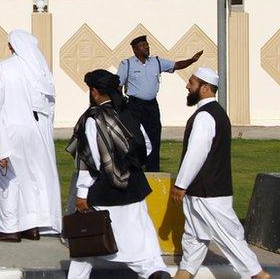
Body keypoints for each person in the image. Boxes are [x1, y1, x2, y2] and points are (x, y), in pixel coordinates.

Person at [66, 70, 170, 279]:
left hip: (105, 191)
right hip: (134, 188)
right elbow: (146, 147)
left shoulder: (92, 119)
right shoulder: (129, 113)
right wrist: (127, 163)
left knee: (86, 245)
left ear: (94, 92)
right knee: (143, 246)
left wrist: (81, 193)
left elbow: (91, 161)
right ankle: (157, 273)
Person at [171, 68, 269, 279]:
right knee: (194, 237)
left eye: (192, 82)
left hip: (208, 192)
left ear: (204, 88)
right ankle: (184, 274)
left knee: (230, 237)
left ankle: (259, 275)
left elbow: (196, 152)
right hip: (204, 191)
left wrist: (180, 184)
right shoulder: (215, 113)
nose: (187, 86)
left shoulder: (205, 116)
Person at [0, 29, 62, 241]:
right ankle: (32, 225)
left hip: (10, 131)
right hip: (37, 132)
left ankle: (8, 228)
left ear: (12, 46)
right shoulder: (42, 71)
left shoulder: (4, 67)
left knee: (8, 178)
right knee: (34, 177)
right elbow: (50, 105)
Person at [117, 35, 203, 171]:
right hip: (134, 105)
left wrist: (192, 60)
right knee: (134, 137)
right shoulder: (126, 64)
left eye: (147, 45)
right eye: (142, 45)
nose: (146, 47)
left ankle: (153, 169)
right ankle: (134, 168)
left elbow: (176, 65)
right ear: (134, 49)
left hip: (151, 106)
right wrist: (120, 106)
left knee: (154, 136)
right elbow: (118, 85)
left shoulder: (156, 62)